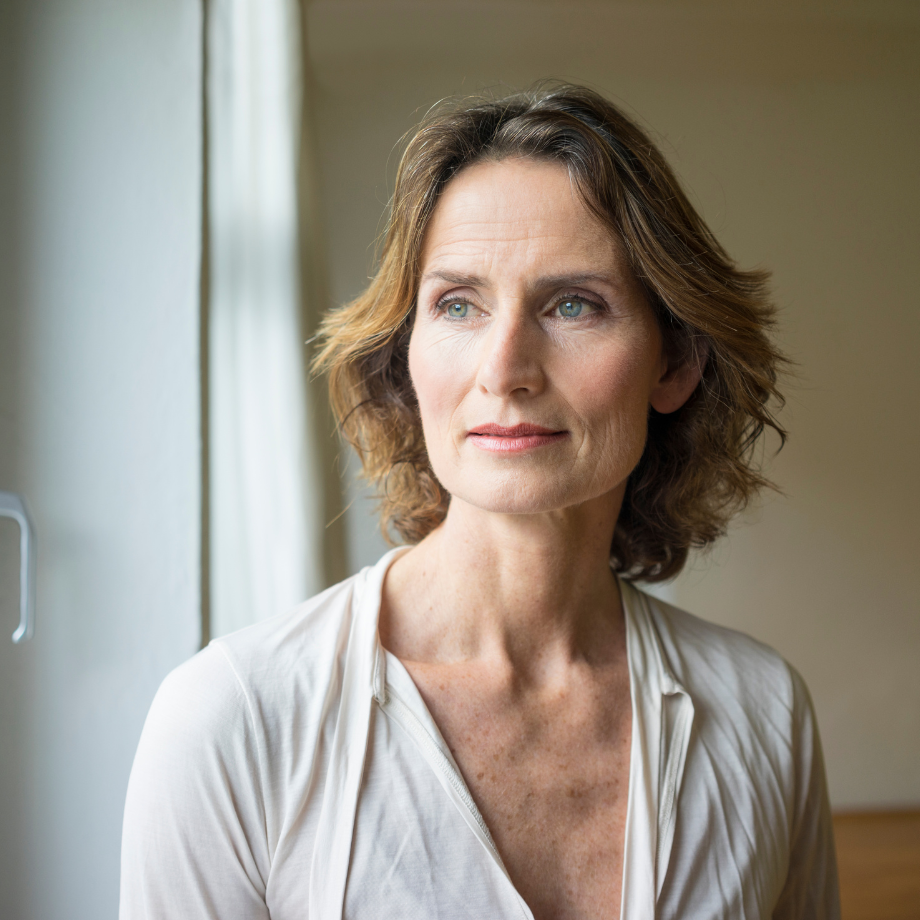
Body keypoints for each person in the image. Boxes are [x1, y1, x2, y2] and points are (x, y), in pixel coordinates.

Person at [120, 83, 839, 919]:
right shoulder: (235, 720)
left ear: (674, 362)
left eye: (574, 304)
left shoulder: (762, 713)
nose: (505, 369)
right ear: (406, 354)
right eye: (458, 304)